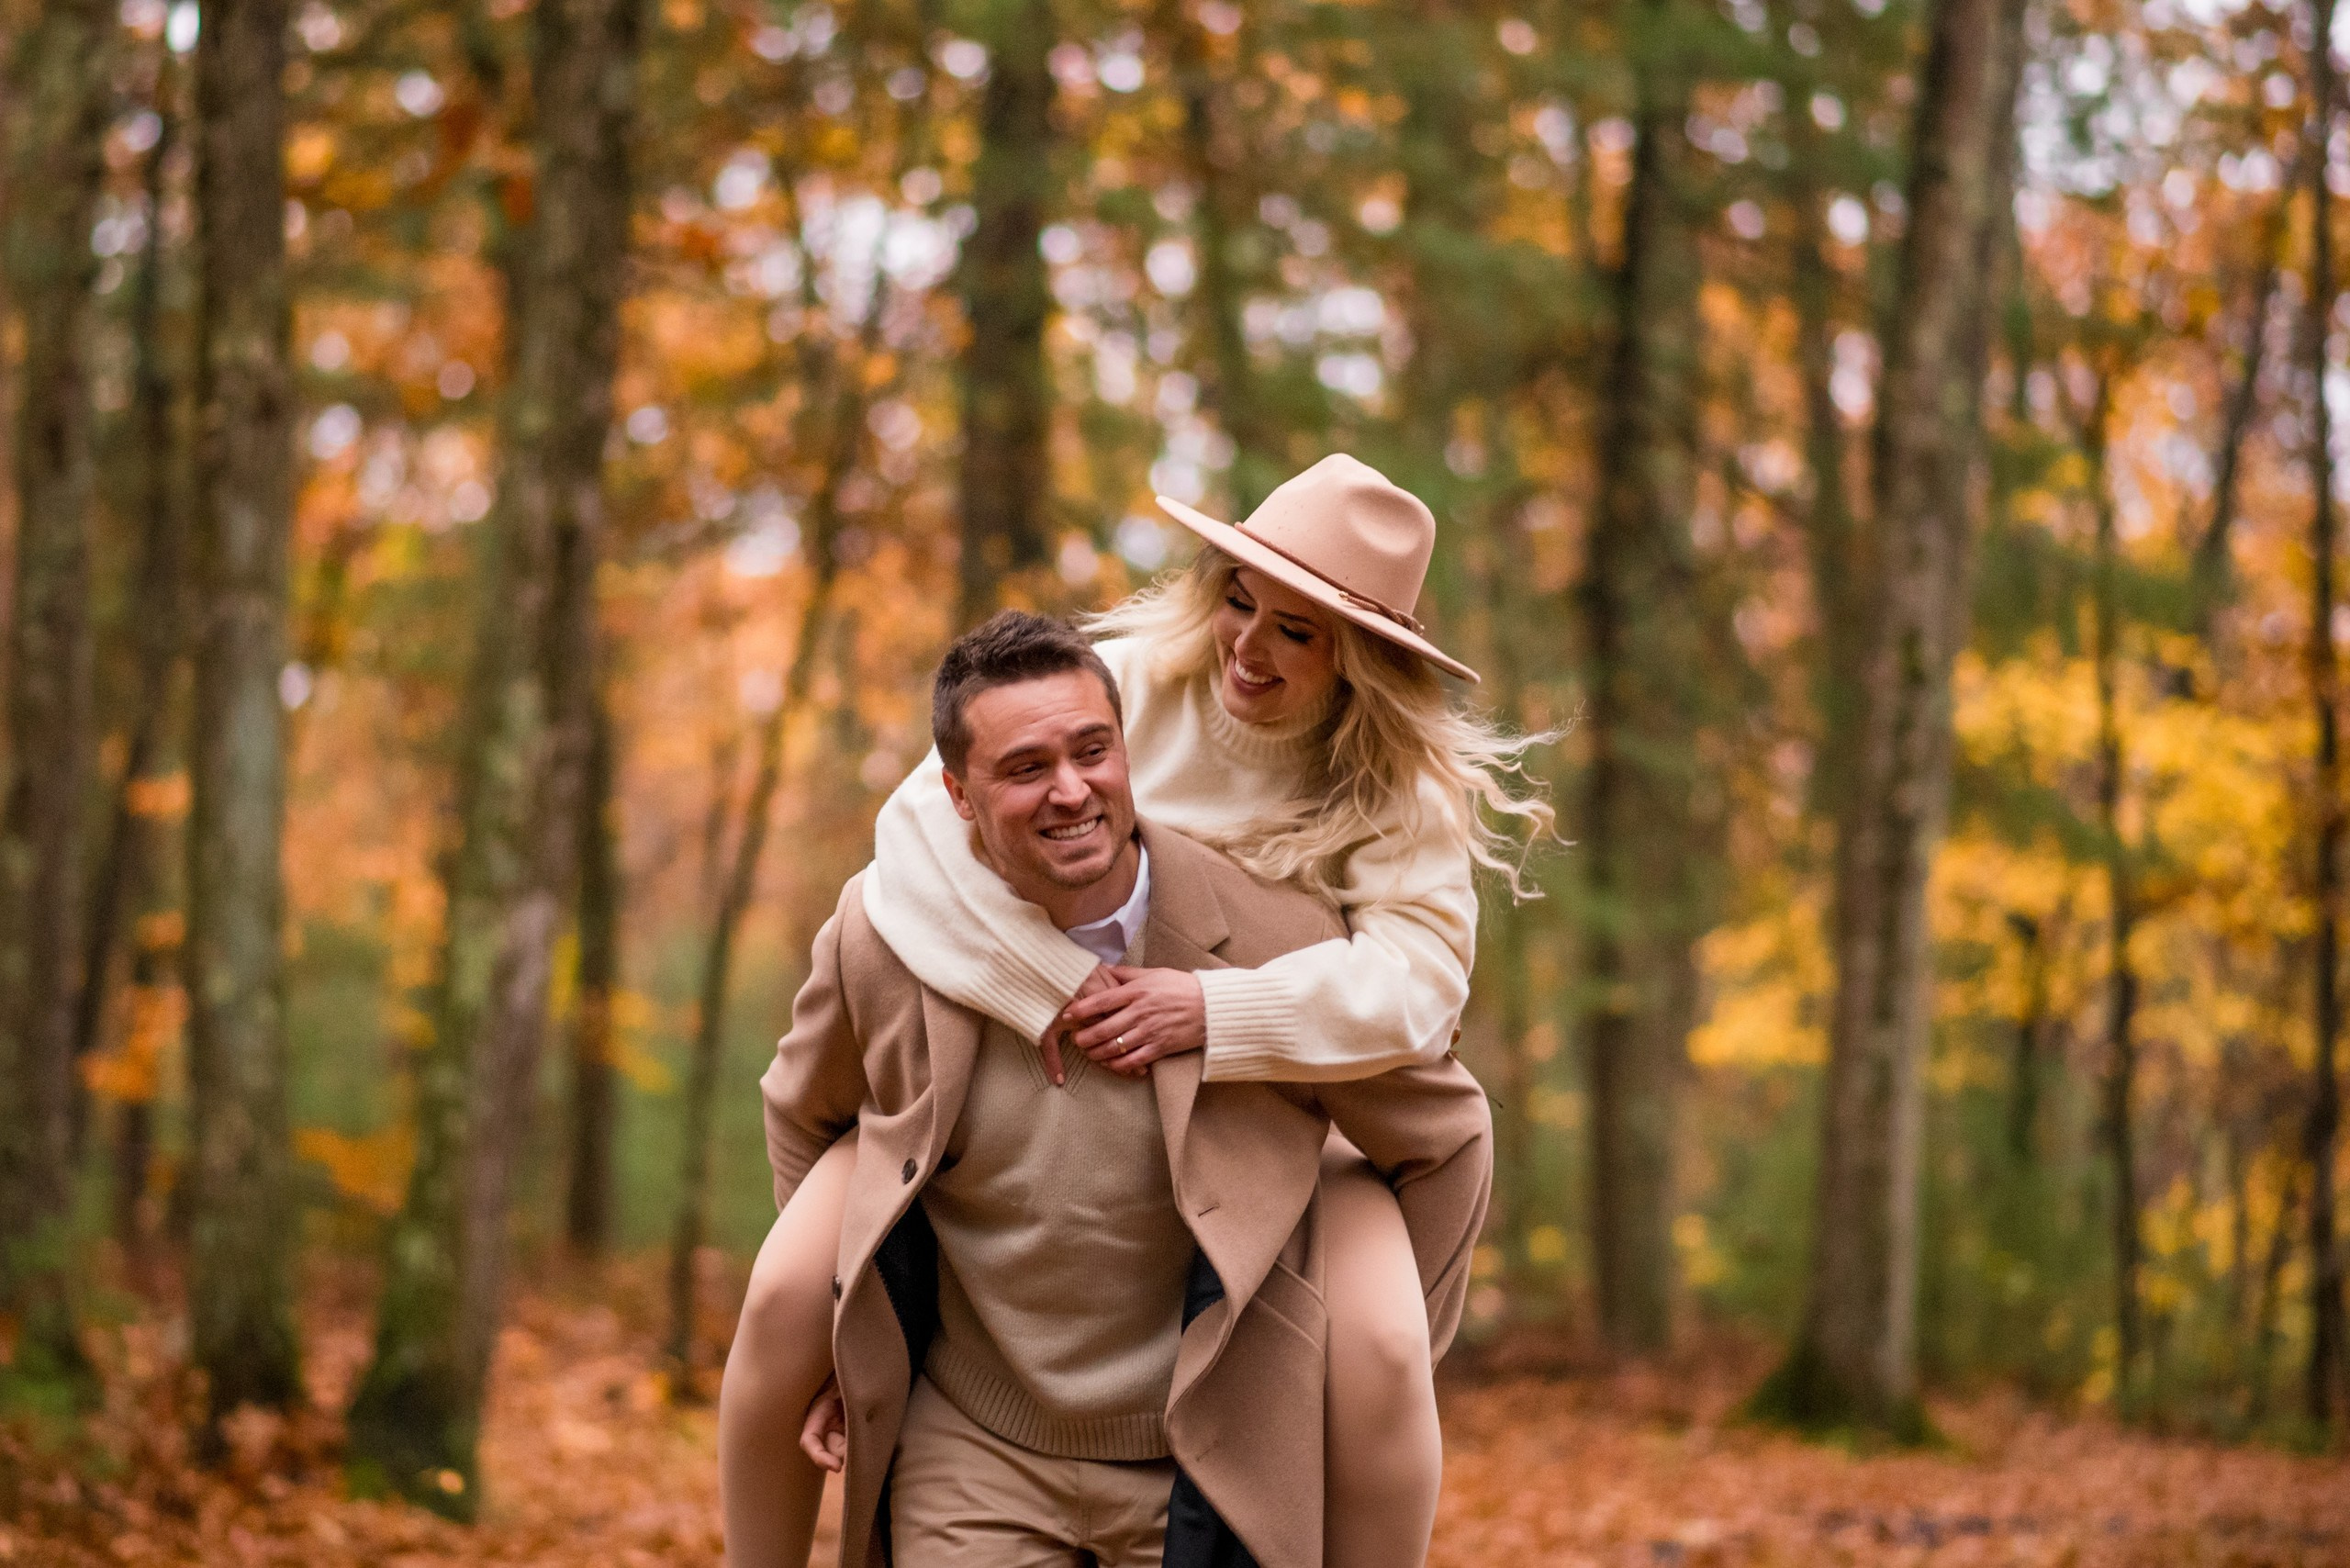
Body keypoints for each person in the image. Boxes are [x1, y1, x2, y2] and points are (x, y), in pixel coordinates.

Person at [721, 455, 1550, 1566]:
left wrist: (1212, 1011)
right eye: (1239, 602)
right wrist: (1050, 992)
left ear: (1361, 657)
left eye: (1297, 633)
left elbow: (1416, 996)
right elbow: (916, 838)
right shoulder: (1121, 683)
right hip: (1044, 1061)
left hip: (1294, 1098)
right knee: (785, 1291)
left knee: (1386, 1353)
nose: (1248, 649)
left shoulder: (1398, 792)